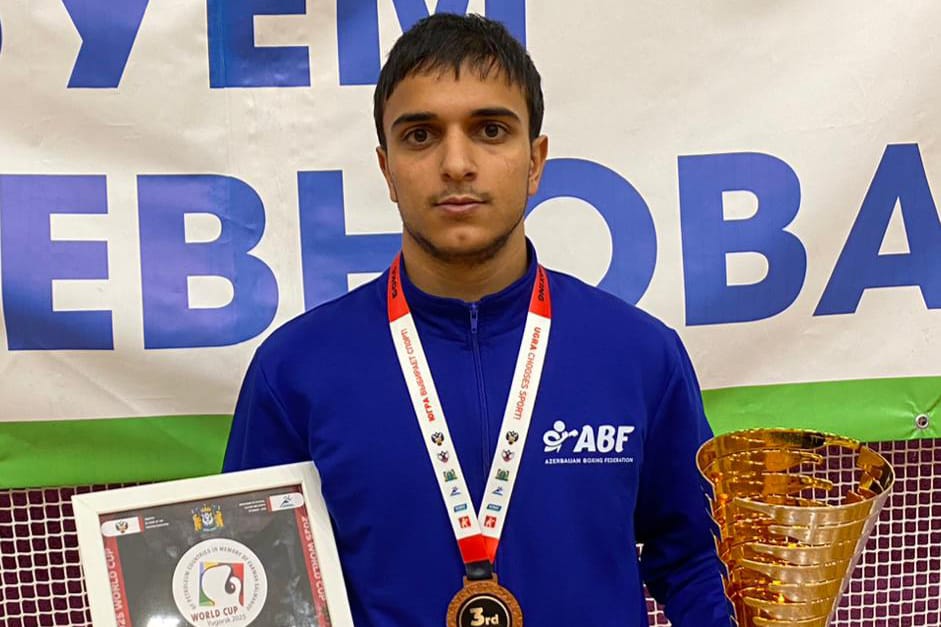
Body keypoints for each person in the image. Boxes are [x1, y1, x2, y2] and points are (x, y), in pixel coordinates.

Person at [224, 13, 733, 627]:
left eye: (491, 130)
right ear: (387, 170)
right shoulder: (294, 372)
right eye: (420, 135)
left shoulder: (640, 355)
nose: (457, 163)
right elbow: (258, 590)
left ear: (535, 160)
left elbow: (696, 559)